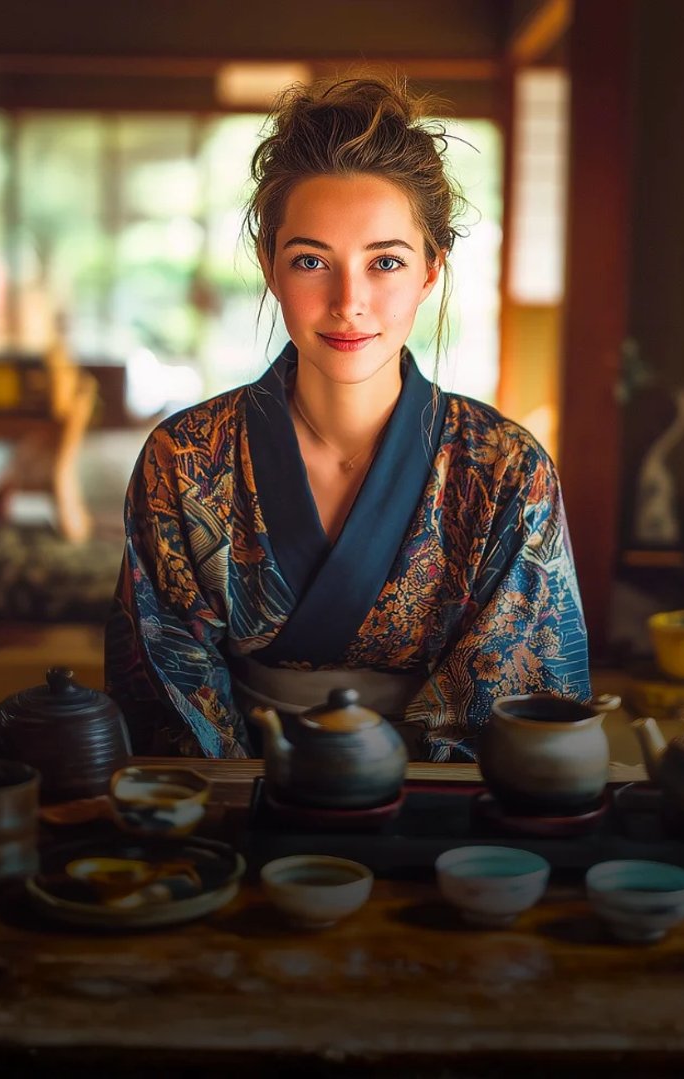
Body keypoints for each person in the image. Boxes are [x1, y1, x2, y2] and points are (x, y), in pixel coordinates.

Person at [105, 75, 590, 762]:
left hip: (436, 802)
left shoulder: (506, 470)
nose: (348, 301)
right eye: (311, 260)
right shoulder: (184, 458)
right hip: (242, 795)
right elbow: (167, 697)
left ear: (430, 271)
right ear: (270, 266)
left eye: (385, 262)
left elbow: (518, 709)